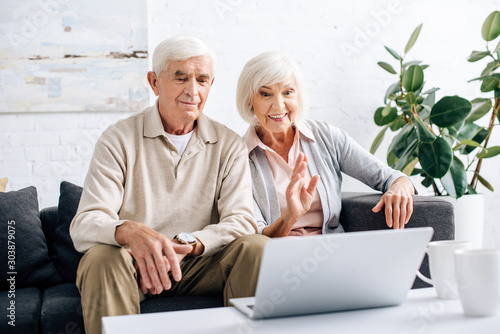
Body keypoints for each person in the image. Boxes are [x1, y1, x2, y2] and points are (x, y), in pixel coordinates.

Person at [70, 36, 268, 334]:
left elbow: (241, 221)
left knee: (257, 247)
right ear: (154, 82)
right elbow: (85, 224)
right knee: (100, 258)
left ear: (210, 85)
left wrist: (189, 243)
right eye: (181, 77)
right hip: (135, 268)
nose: (193, 90)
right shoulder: (118, 139)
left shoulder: (228, 144)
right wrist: (128, 230)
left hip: (201, 263)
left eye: (202, 80)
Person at [236, 51, 415, 238]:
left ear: (298, 95)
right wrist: (289, 218)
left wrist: (400, 186)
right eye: (266, 94)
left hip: (331, 253)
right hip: (278, 255)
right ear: (249, 100)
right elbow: (255, 237)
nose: (279, 106)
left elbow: (391, 178)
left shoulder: (328, 138)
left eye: (288, 92)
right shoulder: (238, 159)